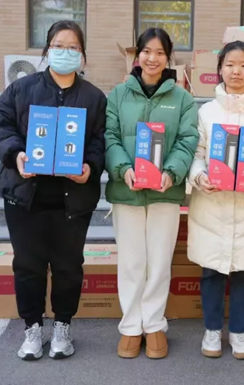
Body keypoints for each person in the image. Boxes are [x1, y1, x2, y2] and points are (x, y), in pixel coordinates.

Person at [0, 20, 107, 361]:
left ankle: (62, 327)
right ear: (47, 50)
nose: (65, 52)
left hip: (73, 200)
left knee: (69, 266)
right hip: (25, 196)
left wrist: (90, 166)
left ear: (82, 55)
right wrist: (16, 155)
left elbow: (100, 140)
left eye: (73, 47)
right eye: (59, 45)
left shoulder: (94, 97)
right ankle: (32, 328)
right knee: (28, 266)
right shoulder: (21, 89)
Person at [105, 28, 198, 360]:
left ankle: (155, 324)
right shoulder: (118, 95)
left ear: (168, 58)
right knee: (131, 262)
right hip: (126, 191)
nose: (152, 58)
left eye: (160, 52)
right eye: (146, 51)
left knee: (159, 262)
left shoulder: (183, 99)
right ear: (137, 55)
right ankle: (131, 326)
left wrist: (171, 172)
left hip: (164, 193)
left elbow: (188, 140)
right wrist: (123, 169)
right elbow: (110, 136)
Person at [187, 41, 244, 360]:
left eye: (243, 65)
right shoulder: (206, 112)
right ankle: (212, 329)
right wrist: (199, 176)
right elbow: (197, 154)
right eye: (229, 64)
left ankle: (239, 332)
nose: (236, 71)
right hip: (213, 205)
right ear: (220, 70)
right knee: (212, 270)